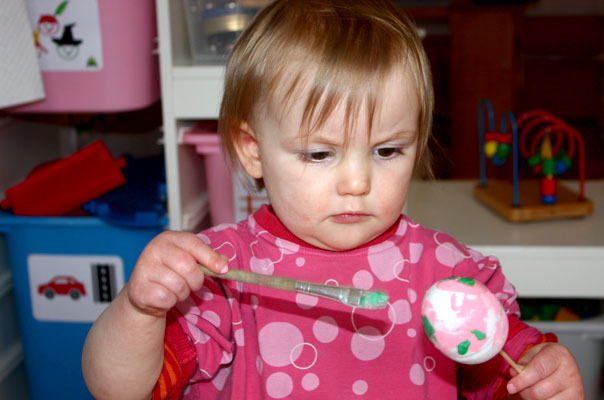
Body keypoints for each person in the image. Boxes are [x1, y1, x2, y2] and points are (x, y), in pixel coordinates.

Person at [81, 0, 585, 398]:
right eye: (320, 154)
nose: (357, 182)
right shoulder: (221, 277)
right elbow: (119, 388)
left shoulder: (448, 275)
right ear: (252, 151)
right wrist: (139, 310)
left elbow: (513, 373)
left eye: (387, 150)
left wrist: (544, 377)